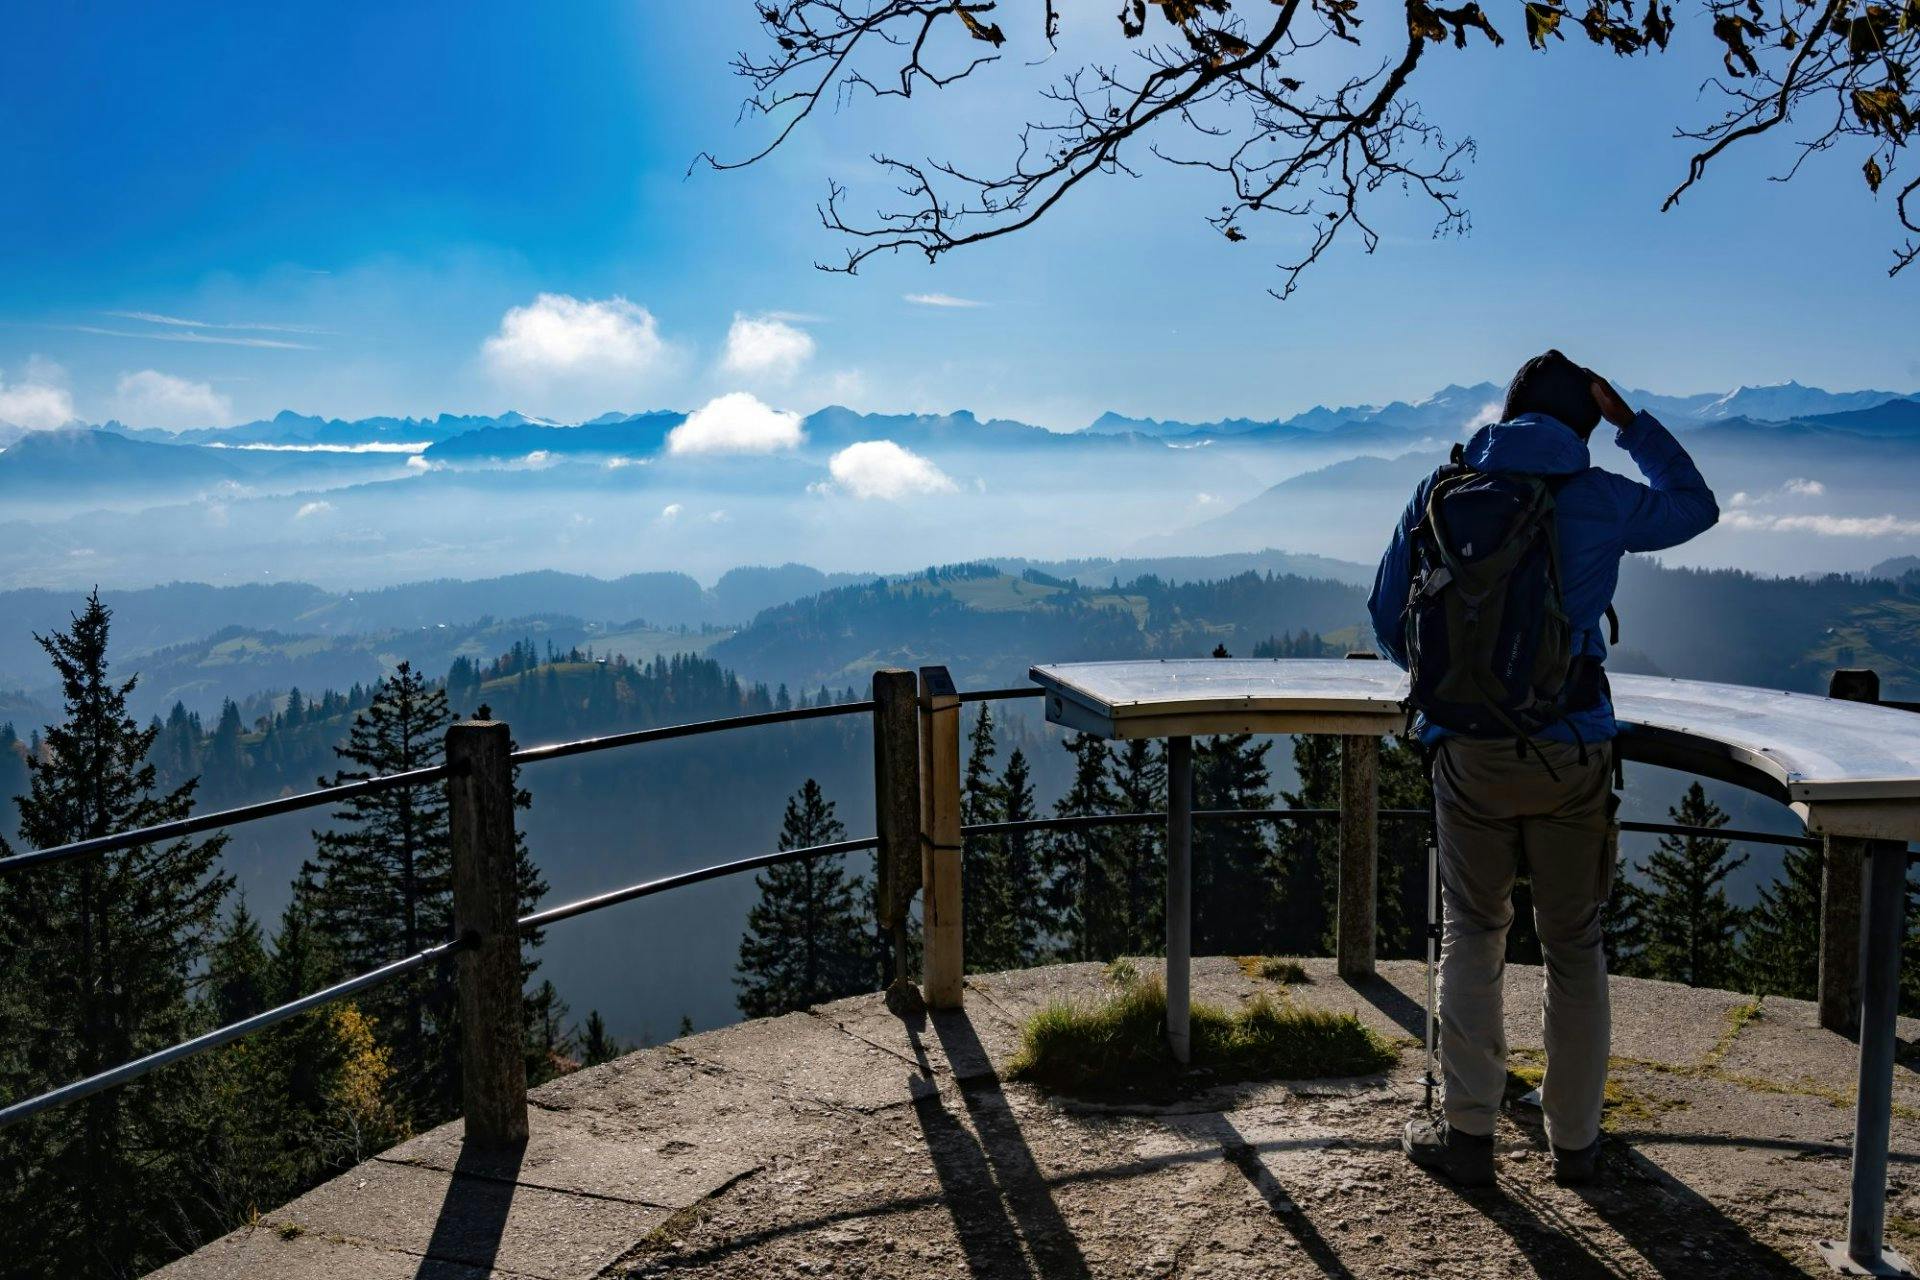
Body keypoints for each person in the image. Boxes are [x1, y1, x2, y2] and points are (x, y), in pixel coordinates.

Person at [1367, 350, 1718, 1188]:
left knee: (1472, 935)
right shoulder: (1596, 495)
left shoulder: (1439, 493)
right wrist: (1634, 426)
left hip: (1466, 753)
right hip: (1571, 749)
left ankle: (1470, 1135)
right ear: (1586, 422)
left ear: (1508, 407)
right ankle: (1576, 1145)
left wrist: (1465, 689)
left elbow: (1390, 623)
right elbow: (1695, 508)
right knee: (1574, 944)